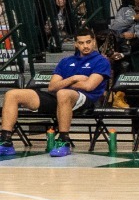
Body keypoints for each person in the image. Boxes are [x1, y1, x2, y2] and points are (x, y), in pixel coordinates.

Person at [0, 31, 110, 159]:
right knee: (12, 94)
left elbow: (89, 86)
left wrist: (63, 84)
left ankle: (64, 140)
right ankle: (5, 141)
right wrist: (73, 79)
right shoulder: (66, 61)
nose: (85, 46)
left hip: (86, 99)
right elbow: (52, 87)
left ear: (94, 41)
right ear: (76, 44)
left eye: (88, 42)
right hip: (59, 97)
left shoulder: (101, 61)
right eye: (81, 43)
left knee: (63, 93)